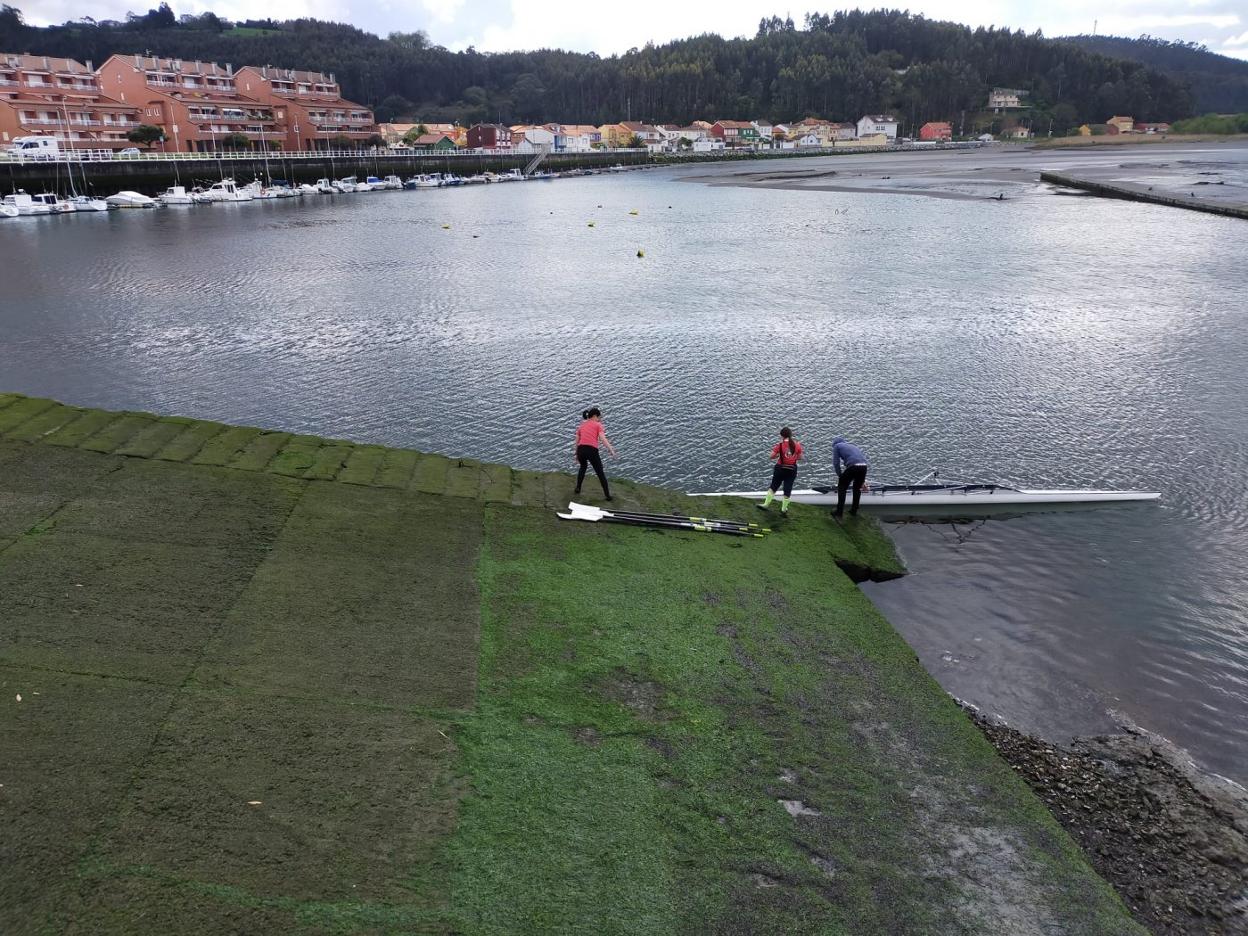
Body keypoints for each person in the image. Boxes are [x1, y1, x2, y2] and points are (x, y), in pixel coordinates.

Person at [574, 407, 616, 500]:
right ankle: (608, 496)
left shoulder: (581, 426)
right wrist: (611, 449)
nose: (600, 419)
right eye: (599, 417)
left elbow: (577, 441)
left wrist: (576, 454)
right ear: (594, 416)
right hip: (591, 450)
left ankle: (578, 488)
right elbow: (603, 439)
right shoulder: (598, 425)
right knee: (600, 472)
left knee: (583, 467)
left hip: (581, 449)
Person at [758, 427, 802, 514]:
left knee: (774, 486)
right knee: (788, 488)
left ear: (781, 436)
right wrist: (791, 457)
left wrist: (779, 456)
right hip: (792, 469)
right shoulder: (797, 445)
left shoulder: (780, 445)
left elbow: (771, 456)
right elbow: (800, 457)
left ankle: (766, 504)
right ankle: (783, 509)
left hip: (780, 468)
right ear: (790, 434)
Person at [831, 435, 869, 518]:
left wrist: (840, 475)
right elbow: (860, 459)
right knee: (857, 488)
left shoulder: (837, 446)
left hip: (853, 466)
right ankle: (854, 511)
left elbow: (836, 463)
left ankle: (839, 512)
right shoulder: (852, 446)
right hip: (864, 466)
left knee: (842, 487)